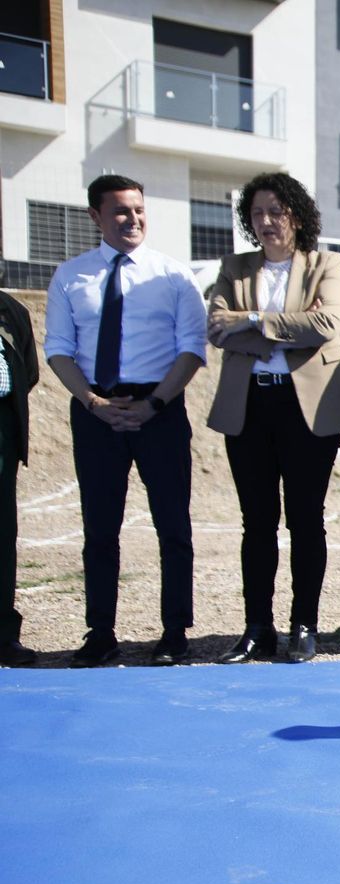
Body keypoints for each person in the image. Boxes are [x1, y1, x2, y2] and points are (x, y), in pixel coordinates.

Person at [205, 171, 340, 664]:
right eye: (257, 213)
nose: (267, 221)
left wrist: (250, 321)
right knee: (256, 522)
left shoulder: (326, 263)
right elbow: (216, 329)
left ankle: (304, 624)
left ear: (296, 214)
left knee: (305, 520)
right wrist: (283, 328)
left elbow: (325, 324)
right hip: (250, 405)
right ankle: (258, 627)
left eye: (277, 211)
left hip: (309, 411)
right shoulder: (234, 267)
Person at [44, 174, 206, 667]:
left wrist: (154, 403)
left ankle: (175, 632)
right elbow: (58, 350)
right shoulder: (70, 277)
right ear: (95, 217)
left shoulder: (173, 276)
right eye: (120, 211)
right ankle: (101, 632)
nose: (133, 219)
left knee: (173, 527)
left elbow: (191, 350)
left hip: (159, 412)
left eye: (138, 210)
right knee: (100, 528)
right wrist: (93, 402)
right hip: (96, 413)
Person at [0, 286, 40, 666]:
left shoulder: (11, 311)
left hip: (2, 429)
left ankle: (3, 635)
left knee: (1, 534)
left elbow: (27, 372)